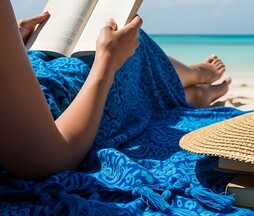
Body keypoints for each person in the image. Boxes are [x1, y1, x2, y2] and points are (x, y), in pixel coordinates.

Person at [0, 2, 231, 179]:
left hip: (33, 74)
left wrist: (12, 44)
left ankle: (193, 90)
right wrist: (107, 62)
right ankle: (196, 77)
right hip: (61, 99)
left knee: (112, 49)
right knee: (129, 47)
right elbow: (44, 159)